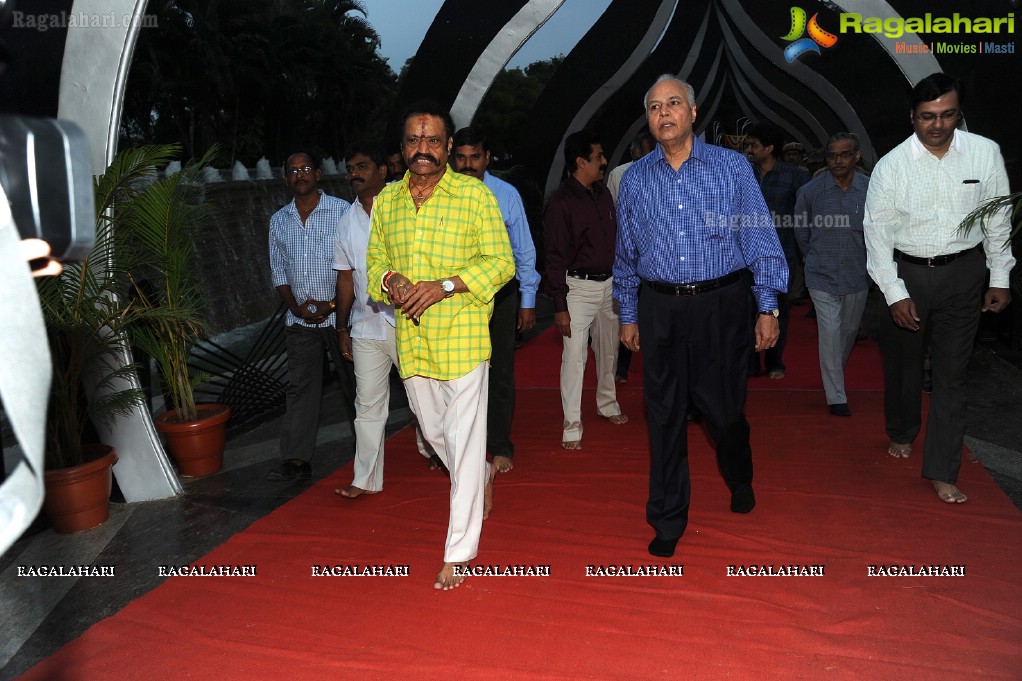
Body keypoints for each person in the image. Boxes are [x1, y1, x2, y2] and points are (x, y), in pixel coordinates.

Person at [614, 75, 787, 558]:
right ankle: (667, 516)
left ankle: (739, 474)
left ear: (694, 112)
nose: (664, 113)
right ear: (648, 119)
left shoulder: (733, 168)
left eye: (673, 103)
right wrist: (629, 313)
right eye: (654, 106)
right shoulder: (634, 179)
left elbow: (759, 238)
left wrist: (767, 305)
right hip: (660, 306)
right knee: (664, 413)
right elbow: (626, 254)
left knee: (724, 411)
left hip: (722, 306)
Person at [366, 101, 515, 589]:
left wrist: (446, 285)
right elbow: (374, 265)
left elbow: (501, 263)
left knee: (466, 435)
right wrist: (391, 280)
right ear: (403, 147)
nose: (423, 150)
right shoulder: (387, 200)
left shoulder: (474, 196)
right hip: (413, 339)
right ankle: (479, 476)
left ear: (449, 146)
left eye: (433, 141)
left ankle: (458, 550)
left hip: (465, 335)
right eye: (414, 141)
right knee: (435, 435)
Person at [863, 72, 1014, 504]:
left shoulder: (985, 154)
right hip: (906, 273)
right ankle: (903, 429)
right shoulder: (891, 166)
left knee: (952, 374)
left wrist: (1000, 276)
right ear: (912, 116)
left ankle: (943, 469)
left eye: (948, 115)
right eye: (928, 116)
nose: (938, 125)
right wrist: (894, 293)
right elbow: (876, 235)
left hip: (964, 275)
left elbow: (997, 219)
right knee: (904, 365)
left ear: (958, 113)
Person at [451, 125, 541, 474]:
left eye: (475, 157)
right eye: (462, 158)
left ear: (488, 158)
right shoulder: (441, 195)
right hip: (454, 295)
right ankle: (455, 445)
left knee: (500, 372)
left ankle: (499, 444)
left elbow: (523, 249)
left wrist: (528, 299)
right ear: (451, 158)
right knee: (456, 374)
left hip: (500, 296)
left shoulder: (505, 195)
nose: (469, 164)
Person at [267, 152, 352, 481]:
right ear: (285, 179)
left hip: (340, 318)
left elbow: (356, 267)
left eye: (305, 169)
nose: (299, 174)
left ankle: (369, 450)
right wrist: (296, 307)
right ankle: (296, 458)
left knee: (354, 385)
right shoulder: (278, 221)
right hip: (300, 322)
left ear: (318, 173)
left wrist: (332, 306)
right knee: (301, 389)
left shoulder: (342, 212)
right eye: (293, 171)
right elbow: (278, 272)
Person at [544, 129, 629, 451]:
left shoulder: (603, 194)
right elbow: (553, 257)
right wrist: (559, 304)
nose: (605, 162)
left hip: (610, 285)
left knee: (609, 351)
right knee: (574, 358)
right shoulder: (560, 203)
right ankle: (572, 426)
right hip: (576, 288)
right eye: (598, 158)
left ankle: (608, 404)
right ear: (581, 162)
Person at [332, 144, 401, 498]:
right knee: (367, 406)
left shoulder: (404, 207)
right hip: (365, 327)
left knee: (428, 403)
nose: (354, 174)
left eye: (362, 166)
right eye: (350, 168)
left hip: (407, 323)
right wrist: (342, 327)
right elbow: (346, 279)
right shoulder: (346, 221)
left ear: (382, 171)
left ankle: (461, 467)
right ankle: (366, 480)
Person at [794, 133, 870, 417]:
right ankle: (836, 396)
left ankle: (832, 372)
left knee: (848, 332)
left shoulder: (870, 190)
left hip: (856, 274)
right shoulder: (810, 192)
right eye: (833, 155)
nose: (838, 160)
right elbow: (801, 233)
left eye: (845, 154)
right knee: (829, 332)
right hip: (820, 274)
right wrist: (813, 257)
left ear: (856, 156)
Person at [745, 124, 811, 378]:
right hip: (747, 257)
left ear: (770, 149)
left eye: (754, 145)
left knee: (777, 311)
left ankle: (775, 362)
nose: (749, 150)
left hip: (781, 254)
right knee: (748, 311)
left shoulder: (795, 176)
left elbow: (805, 216)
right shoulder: (745, 173)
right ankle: (750, 362)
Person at [606, 129, 656, 384]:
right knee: (626, 310)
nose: (642, 162)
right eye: (638, 157)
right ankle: (621, 367)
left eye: (647, 156)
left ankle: (658, 368)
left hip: (658, 261)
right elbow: (612, 216)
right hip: (628, 255)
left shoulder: (668, 173)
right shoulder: (619, 175)